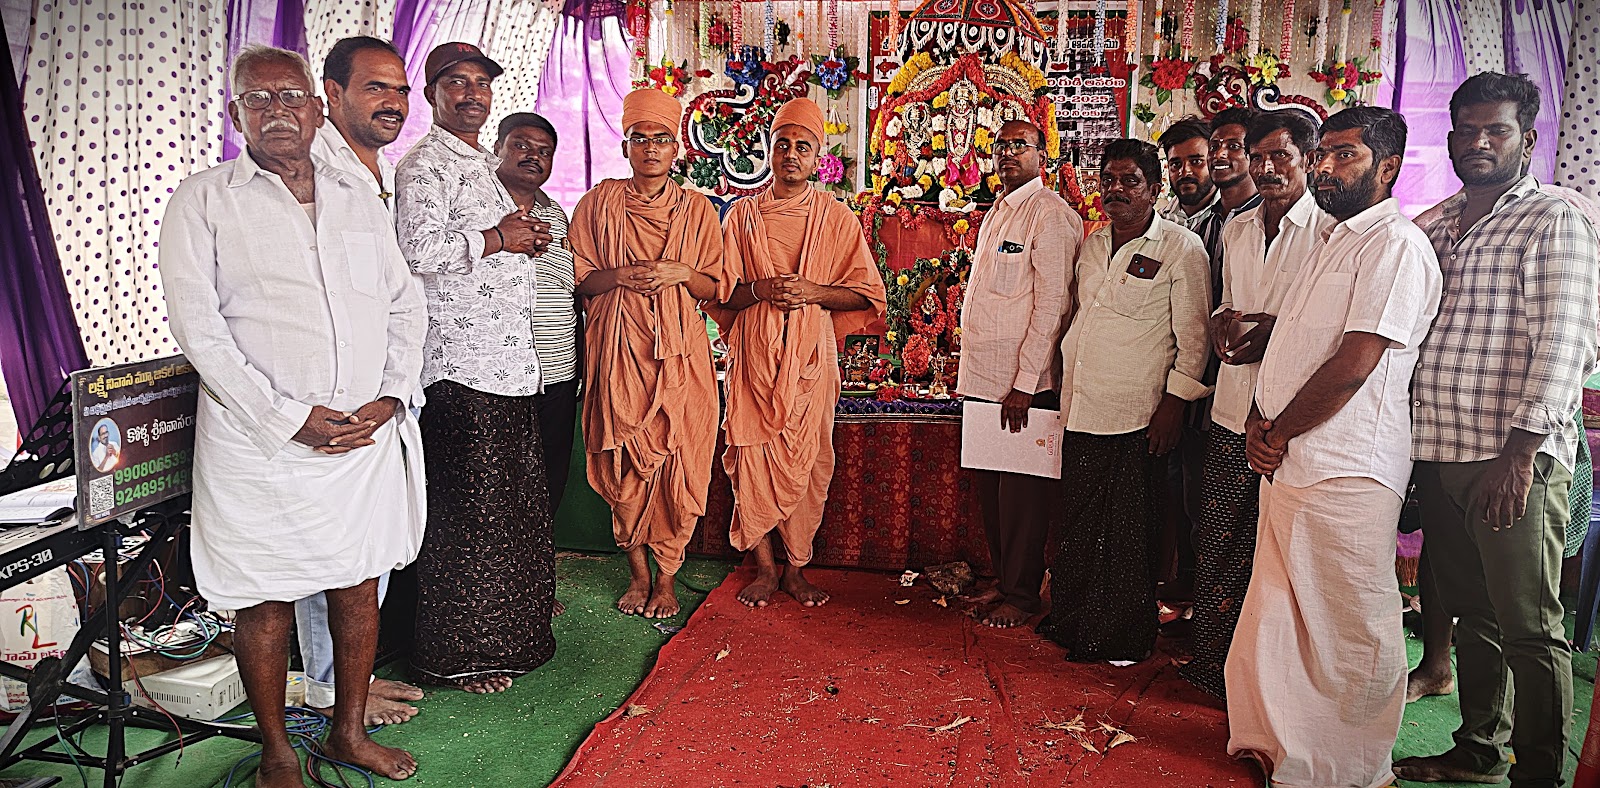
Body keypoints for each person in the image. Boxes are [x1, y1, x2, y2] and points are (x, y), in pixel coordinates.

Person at [159, 44, 423, 785]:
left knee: (358, 582)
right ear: (235, 113)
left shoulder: (353, 196)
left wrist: (390, 397)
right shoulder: (204, 200)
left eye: (290, 96)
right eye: (258, 98)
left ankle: (347, 731)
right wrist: (287, 418)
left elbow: (404, 302)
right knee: (264, 594)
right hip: (260, 446)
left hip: (363, 433)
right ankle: (277, 749)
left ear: (317, 106)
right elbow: (199, 330)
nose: (277, 110)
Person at [1394, 72, 1599, 788]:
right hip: (1441, 452)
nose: (1480, 142)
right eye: (1468, 131)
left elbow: (1565, 340)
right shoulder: (1438, 222)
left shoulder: (1554, 218)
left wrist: (1521, 455)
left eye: (1497, 131)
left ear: (1528, 139)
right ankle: (1478, 751)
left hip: (1513, 459)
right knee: (1473, 618)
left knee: (1530, 628)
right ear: (1450, 138)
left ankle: (1539, 774)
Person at [1226, 106, 1441, 788]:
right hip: (1296, 458)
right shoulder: (1338, 238)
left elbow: (1355, 362)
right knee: (1286, 611)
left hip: (1348, 464)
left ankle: (1352, 767)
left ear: (1387, 168)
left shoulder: (1396, 245)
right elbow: (1300, 344)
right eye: (1324, 155)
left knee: (1351, 621)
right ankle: (1288, 746)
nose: (1324, 168)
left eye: (1343, 156)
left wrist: (1278, 428)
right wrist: (1266, 425)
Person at [396, 41, 558, 694]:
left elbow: (491, 249)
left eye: (481, 83)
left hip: (507, 368)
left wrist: (518, 240)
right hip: (459, 371)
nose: (471, 93)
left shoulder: (483, 169)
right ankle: (458, 657)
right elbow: (415, 250)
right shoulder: (424, 165)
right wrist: (500, 238)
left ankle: (511, 640)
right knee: (470, 521)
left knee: (509, 514)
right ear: (432, 94)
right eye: (455, 83)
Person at [293, 33, 425, 728]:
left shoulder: (373, 175)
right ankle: (329, 689)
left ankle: (351, 681)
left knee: (367, 551)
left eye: (400, 90)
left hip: (378, 400)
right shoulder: (309, 175)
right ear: (332, 96)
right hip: (328, 406)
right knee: (332, 557)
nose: (394, 102)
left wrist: (394, 393)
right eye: (376, 87)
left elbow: (399, 299)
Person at [708, 97, 887, 609]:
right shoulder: (740, 217)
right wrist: (761, 290)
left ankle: (797, 568)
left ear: (817, 158)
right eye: (782, 144)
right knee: (751, 459)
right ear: (769, 150)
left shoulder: (837, 219)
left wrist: (812, 291)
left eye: (802, 146)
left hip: (811, 361)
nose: (790, 153)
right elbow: (721, 294)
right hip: (753, 358)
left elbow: (865, 296)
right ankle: (764, 568)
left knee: (809, 464)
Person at [1037, 138, 1210, 663]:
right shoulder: (1093, 244)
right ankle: (1072, 622)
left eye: (1129, 181)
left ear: (1154, 189)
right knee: (1079, 524)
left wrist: (1173, 405)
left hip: (1140, 414)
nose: (1115, 190)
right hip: (1085, 406)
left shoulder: (1180, 248)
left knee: (1129, 532)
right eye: (1108, 180)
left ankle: (1122, 637)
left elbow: (1195, 338)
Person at [1179, 110, 1332, 697]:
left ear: (1307, 161)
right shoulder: (1238, 229)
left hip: (1285, 421)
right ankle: (1210, 659)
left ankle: (1261, 673)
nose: (1267, 169)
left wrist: (1277, 333)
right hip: (1229, 409)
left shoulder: (1325, 234)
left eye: (1281, 157)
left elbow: (1328, 332)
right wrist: (1221, 326)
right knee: (1215, 538)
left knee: (1272, 548)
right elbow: (1227, 302)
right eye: (1258, 157)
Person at [567, 88, 723, 619]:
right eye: (640, 139)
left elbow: (716, 286)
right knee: (623, 462)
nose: (650, 149)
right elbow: (580, 281)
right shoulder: (599, 204)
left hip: (679, 355)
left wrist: (681, 273)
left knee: (680, 459)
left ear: (675, 148)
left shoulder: (697, 209)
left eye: (660, 140)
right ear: (626, 145)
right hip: (617, 350)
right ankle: (637, 574)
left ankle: (668, 581)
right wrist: (618, 277)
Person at [953, 119, 1080, 628]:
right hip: (985, 378)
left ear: (1041, 155)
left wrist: (1026, 383)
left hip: (1021, 386)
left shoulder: (1049, 216)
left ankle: (1024, 595)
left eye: (1019, 146)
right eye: (1001, 146)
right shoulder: (997, 213)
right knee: (994, 491)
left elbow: (1054, 305)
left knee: (1023, 494)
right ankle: (1006, 583)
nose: (1008, 154)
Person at [494, 112, 580, 546]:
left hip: (556, 370)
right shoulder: (481, 207)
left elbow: (570, 286)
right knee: (497, 486)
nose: (534, 157)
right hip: (496, 377)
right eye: (522, 146)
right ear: (498, 147)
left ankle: (535, 582)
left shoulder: (557, 215)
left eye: (544, 152)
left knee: (549, 480)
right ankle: (497, 591)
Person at [1159, 116, 1219, 233]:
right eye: (1176, 164)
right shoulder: (1160, 222)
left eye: (1196, 161)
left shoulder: (1232, 217)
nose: (1185, 172)